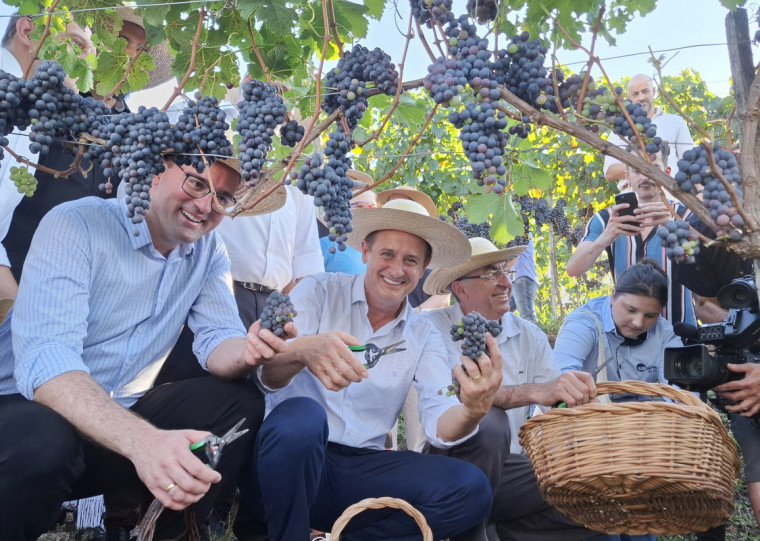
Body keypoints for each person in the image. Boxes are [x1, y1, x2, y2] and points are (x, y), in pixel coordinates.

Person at [0, 157, 285, 541]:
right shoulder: (76, 223)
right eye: (197, 184)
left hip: (112, 427)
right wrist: (145, 443)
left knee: (239, 404)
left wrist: (251, 350)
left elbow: (219, 337)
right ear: (153, 172)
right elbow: (46, 362)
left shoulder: (208, 250)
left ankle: (168, 535)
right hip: (22, 418)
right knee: (44, 436)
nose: (206, 206)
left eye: (223, 197)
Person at [241, 199, 499, 541]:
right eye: (388, 254)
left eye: (410, 261)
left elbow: (440, 424)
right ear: (365, 251)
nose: (397, 269)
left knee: (471, 489)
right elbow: (266, 376)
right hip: (289, 464)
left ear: (422, 270)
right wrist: (303, 350)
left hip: (361, 471)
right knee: (303, 417)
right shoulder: (318, 291)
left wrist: (473, 410)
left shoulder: (423, 335)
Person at [420, 236, 598, 541]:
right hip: (445, 466)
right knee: (489, 422)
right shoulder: (430, 328)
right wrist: (534, 391)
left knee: (589, 496)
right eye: (491, 274)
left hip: (509, 472)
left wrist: (576, 407)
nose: (505, 282)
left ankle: (493, 532)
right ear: (459, 288)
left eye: (506, 271)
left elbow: (554, 405)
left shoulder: (529, 335)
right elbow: (462, 398)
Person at [0, 9, 173, 297]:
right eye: (119, 38)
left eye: (140, 48)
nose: (129, 52)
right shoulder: (42, 105)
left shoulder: (141, 134)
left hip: (87, 291)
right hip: (20, 273)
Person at [555, 260, 685, 541]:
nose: (639, 323)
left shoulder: (666, 335)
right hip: (586, 441)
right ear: (613, 296)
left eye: (650, 315)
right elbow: (561, 378)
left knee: (640, 522)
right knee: (606, 526)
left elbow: (681, 397)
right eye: (630, 310)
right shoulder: (585, 322)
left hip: (641, 448)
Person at [566, 145, 696, 326]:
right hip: (627, 335)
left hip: (680, 336)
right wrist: (606, 237)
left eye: (653, 169)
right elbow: (573, 269)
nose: (645, 176)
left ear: (666, 172)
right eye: (637, 170)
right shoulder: (606, 219)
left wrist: (673, 227)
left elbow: (708, 264)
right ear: (627, 176)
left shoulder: (686, 215)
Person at [603, 74, 694, 189]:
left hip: (671, 191)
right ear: (629, 96)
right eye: (635, 94)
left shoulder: (675, 121)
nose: (641, 97)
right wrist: (647, 162)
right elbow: (610, 173)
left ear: (654, 91)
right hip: (633, 193)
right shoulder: (621, 128)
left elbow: (690, 161)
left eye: (645, 91)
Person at [508, 237, 538, 323]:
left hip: (523, 278)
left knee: (527, 318)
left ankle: (535, 336)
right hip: (515, 280)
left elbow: (515, 254)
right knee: (501, 314)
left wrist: (503, 270)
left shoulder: (521, 229)